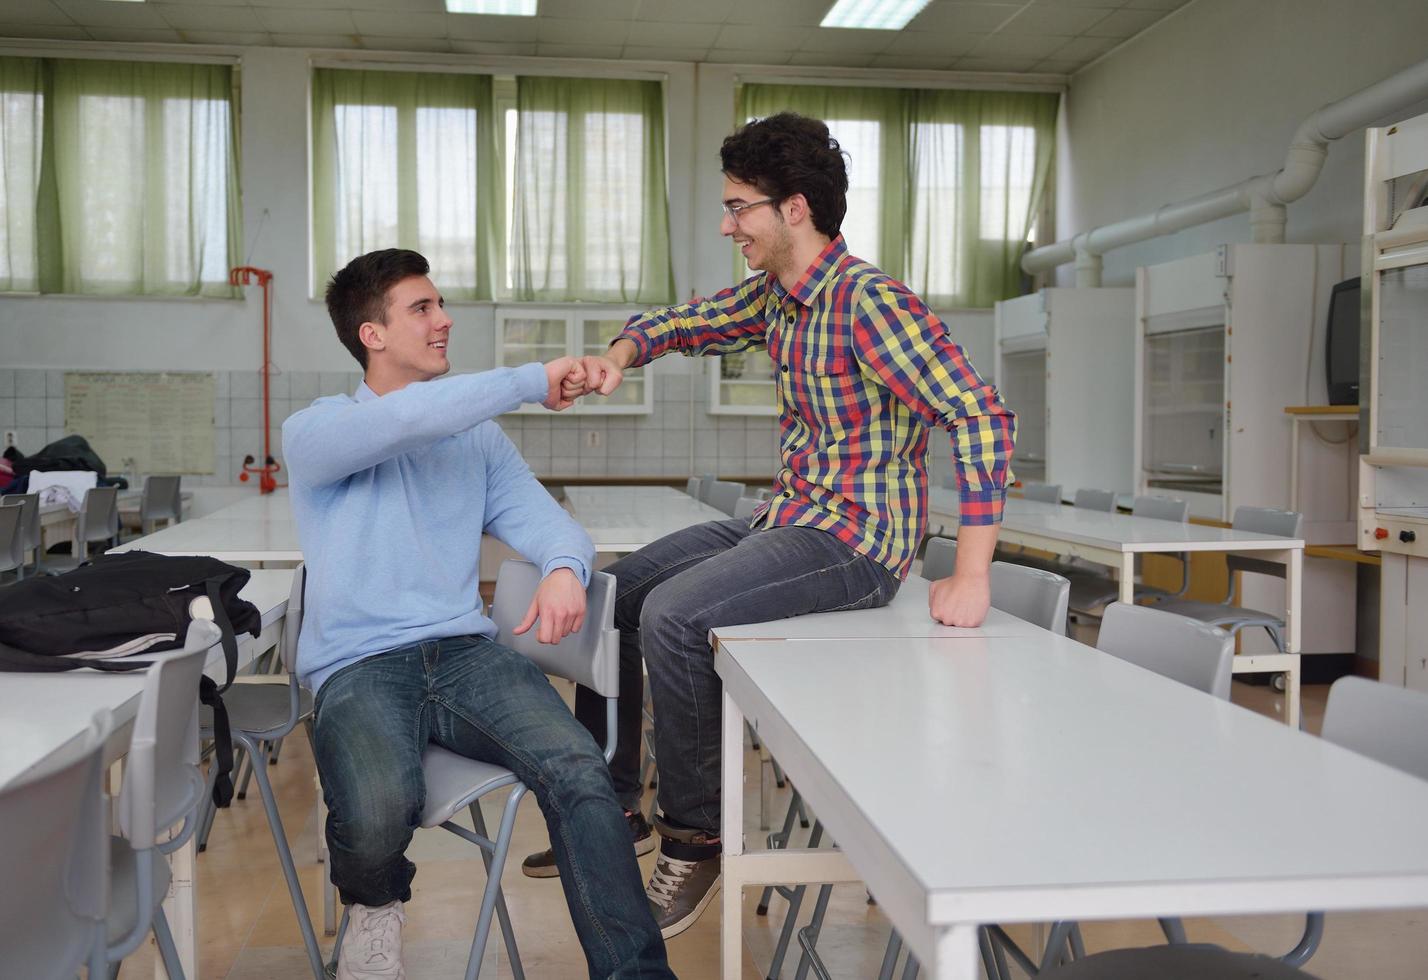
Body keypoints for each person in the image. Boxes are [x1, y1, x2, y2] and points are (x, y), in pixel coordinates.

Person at [518, 112, 1018, 939]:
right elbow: (684, 322)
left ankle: (699, 836)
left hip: (856, 541)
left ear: (793, 208)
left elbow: (979, 416)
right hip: (787, 518)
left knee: (676, 619)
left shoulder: (870, 303)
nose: (727, 225)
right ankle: (614, 806)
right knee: (621, 591)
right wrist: (617, 356)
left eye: (738, 207)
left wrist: (971, 572)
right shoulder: (778, 299)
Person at [283, 248, 673, 979]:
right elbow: (400, 425)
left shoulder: (477, 439)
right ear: (372, 335)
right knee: (375, 818)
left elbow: (551, 526)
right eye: (422, 309)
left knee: (581, 773)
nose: (444, 320)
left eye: (440, 305)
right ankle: (374, 908)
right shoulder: (316, 432)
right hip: (358, 664)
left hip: (465, 654)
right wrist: (530, 381)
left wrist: (564, 570)